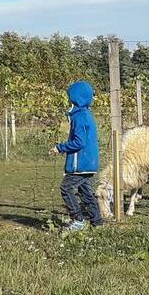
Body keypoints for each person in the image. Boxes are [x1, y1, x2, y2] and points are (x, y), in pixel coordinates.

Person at [49, 81, 103, 231]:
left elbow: (79, 142)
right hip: (89, 164)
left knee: (66, 188)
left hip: (81, 163)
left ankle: (78, 220)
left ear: (76, 98)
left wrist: (60, 148)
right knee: (86, 193)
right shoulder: (87, 115)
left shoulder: (79, 117)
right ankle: (97, 223)